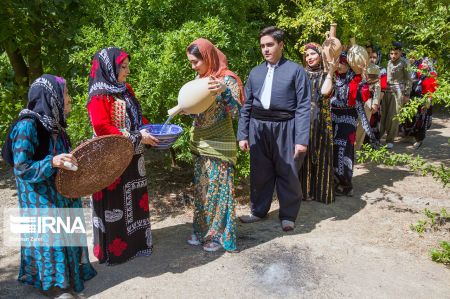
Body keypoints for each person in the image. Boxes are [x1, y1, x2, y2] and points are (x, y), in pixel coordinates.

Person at [7, 74, 97, 297]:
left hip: (60, 189)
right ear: (51, 97)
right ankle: (54, 286)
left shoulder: (56, 125)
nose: (68, 98)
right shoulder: (27, 126)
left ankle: (68, 275)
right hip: (39, 195)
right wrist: (53, 162)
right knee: (49, 239)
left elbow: (62, 156)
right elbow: (21, 167)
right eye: (64, 93)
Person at [87, 47, 158, 265]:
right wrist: (138, 137)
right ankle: (116, 250)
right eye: (123, 67)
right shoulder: (99, 96)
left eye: (128, 66)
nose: (127, 71)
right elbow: (103, 128)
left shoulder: (125, 89)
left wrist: (152, 130)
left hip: (133, 157)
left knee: (135, 199)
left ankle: (137, 244)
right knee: (115, 203)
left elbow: (136, 115)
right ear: (110, 68)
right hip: (111, 158)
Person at [237, 26, 311, 231]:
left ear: (281, 45)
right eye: (262, 46)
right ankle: (258, 211)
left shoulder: (296, 71)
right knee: (260, 172)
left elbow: (304, 107)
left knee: (288, 172)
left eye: (270, 45)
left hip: (286, 127)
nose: (266, 50)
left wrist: (301, 139)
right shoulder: (255, 72)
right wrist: (243, 134)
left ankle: (288, 215)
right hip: (258, 128)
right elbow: (247, 105)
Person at [184, 38, 244, 252]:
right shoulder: (200, 78)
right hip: (200, 141)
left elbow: (237, 112)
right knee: (203, 190)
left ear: (208, 57)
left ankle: (218, 236)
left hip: (220, 145)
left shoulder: (227, 80)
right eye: (190, 63)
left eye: (195, 62)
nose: (193, 67)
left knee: (219, 192)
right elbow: (198, 107)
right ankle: (202, 232)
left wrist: (224, 92)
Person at [330, 52, 376, 196]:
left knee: (344, 149)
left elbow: (365, 96)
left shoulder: (356, 80)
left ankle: (345, 184)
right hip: (332, 117)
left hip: (348, 118)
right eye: (338, 62)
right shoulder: (332, 78)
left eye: (343, 63)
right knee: (332, 149)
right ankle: (333, 181)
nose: (339, 65)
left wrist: (371, 102)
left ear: (349, 64)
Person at [299, 42, 334, 204]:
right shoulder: (301, 74)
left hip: (321, 119)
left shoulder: (326, 74)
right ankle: (303, 192)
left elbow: (324, 92)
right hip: (303, 119)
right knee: (303, 155)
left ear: (320, 55)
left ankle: (320, 192)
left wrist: (331, 71)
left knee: (321, 154)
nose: (309, 58)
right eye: (307, 55)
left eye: (312, 54)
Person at [379, 42, 412, 149]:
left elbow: (409, 79)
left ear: (400, 52)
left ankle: (390, 139)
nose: (393, 56)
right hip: (387, 91)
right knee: (383, 115)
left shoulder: (404, 63)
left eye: (396, 53)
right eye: (391, 53)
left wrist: (406, 94)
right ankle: (379, 137)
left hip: (398, 92)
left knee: (393, 116)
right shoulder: (388, 62)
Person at [402, 57, 438, 149]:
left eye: (426, 63)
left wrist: (428, 101)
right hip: (416, 99)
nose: (423, 64)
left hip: (426, 100)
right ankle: (410, 136)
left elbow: (433, 90)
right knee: (412, 118)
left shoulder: (432, 75)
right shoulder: (420, 72)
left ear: (430, 64)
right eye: (423, 62)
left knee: (421, 121)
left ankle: (419, 140)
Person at [355, 63, 381, 151]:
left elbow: (377, 86)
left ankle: (356, 149)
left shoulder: (374, 68)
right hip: (351, 100)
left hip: (367, 100)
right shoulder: (352, 64)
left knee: (362, 126)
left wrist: (375, 102)